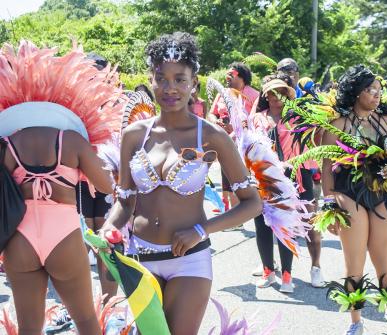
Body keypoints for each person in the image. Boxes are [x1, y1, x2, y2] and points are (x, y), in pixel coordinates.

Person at [99, 32, 262, 334]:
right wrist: (110, 227)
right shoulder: (135, 135)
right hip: (139, 258)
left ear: (193, 84)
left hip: (189, 261)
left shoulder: (213, 137)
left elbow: (253, 203)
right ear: (151, 81)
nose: (170, 88)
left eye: (179, 79)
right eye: (161, 79)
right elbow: (125, 199)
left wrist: (202, 230)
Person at [0, 41, 122, 334]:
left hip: (20, 237)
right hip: (64, 235)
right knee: (85, 320)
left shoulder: (7, 145)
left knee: (29, 327)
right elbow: (105, 185)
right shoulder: (71, 140)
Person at [316, 65, 387, 335]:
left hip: (382, 194)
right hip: (348, 193)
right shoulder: (337, 126)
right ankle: (356, 323)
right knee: (355, 262)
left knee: (384, 259)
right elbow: (327, 168)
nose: (376, 95)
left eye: (378, 90)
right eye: (370, 90)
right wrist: (329, 205)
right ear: (355, 91)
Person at [250, 73, 325, 292]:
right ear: (265, 96)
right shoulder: (257, 118)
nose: (276, 97)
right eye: (271, 93)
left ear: (287, 95)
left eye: (281, 92)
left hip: (292, 179)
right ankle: (267, 272)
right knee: (262, 226)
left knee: (287, 227)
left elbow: (315, 137)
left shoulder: (297, 119)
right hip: (262, 178)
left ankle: (287, 276)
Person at [76, 53, 118, 304]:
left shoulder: (116, 104)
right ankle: (81, 302)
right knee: (84, 231)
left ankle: (107, 303)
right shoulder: (75, 103)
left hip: (106, 176)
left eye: (101, 73)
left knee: (105, 233)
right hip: (79, 179)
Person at [208, 62, 259, 211]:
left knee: (242, 180)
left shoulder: (253, 95)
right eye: (227, 74)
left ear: (242, 77)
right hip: (226, 142)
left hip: (246, 144)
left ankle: (247, 211)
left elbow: (256, 118)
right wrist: (215, 121)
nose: (227, 77)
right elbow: (212, 113)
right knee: (227, 178)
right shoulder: (222, 93)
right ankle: (232, 213)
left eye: (231, 74)